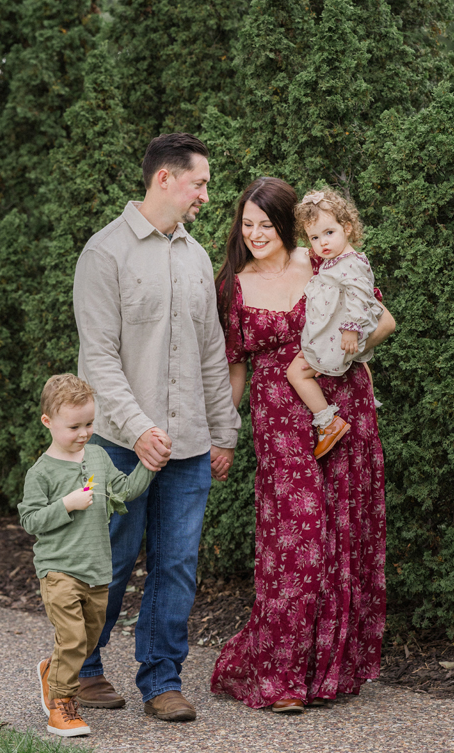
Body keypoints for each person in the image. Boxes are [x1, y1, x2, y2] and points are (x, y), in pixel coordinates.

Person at [72, 133, 240, 722]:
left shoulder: (195, 257)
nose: (205, 196)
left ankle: (161, 678)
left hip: (190, 445)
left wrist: (223, 432)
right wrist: (140, 428)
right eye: (200, 183)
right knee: (110, 564)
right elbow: (98, 360)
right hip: (120, 446)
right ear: (164, 179)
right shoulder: (105, 253)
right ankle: (84, 670)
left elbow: (212, 353)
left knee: (175, 565)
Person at [210, 177, 395, 713]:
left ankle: (328, 672)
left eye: (266, 224)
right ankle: (282, 675)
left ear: (287, 222)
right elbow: (237, 367)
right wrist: (226, 432)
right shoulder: (234, 285)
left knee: (341, 531)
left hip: (341, 403)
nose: (256, 233)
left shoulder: (321, 258)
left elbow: (382, 320)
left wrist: (340, 353)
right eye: (247, 224)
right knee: (298, 534)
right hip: (278, 420)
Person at [18, 374, 155, 738]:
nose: (84, 433)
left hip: (96, 571)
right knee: (73, 639)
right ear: (48, 422)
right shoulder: (42, 472)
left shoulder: (97, 456)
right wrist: (66, 504)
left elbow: (123, 491)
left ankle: (53, 670)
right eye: (74, 426)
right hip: (59, 570)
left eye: (90, 424)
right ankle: (61, 707)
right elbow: (31, 519)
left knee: (88, 639)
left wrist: (149, 466)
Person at [286, 189, 384, 459]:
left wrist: (352, 328)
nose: (322, 243)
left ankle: (327, 421)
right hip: (331, 337)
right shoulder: (334, 262)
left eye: (329, 233)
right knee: (301, 370)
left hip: (341, 338)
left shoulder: (351, 263)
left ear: (348, 227)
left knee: (296, 373)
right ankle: (329, 419)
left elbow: (361, 296)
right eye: (315, 237)